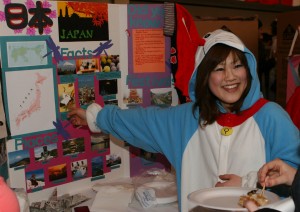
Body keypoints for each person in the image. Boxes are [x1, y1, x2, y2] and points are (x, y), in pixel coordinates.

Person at [67, 29, 300, 212]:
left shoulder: (272, 118)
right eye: (219, 69)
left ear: (248, 69)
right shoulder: (187, 120)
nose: (230, 77)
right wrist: (95, 117)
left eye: (237, 65)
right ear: (204, 77)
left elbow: (294, 179)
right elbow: (138, 121)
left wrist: (249, 184)